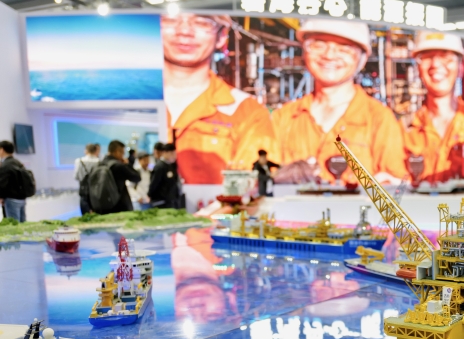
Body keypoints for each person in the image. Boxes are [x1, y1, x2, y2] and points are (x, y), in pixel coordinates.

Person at [271, 19, 405, 185]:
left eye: (344, 48)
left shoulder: (379, 119)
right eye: (319, 45)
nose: (329, 55)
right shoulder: (283, 119)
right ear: (304, 51)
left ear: (362, 59)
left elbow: (397, 186)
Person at [161, 14, 276, 185]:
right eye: (171, 19)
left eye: (201, 22)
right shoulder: (130, 98)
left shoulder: (247, 112)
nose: (184, 31)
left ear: (222, 36)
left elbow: (249, 187)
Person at [402, 31, 464, 185]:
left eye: (446, 56)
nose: (436, 64)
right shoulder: (404, 129)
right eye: (427, 57)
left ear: (460, 67)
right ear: (418, 68)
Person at [92, 140, 140, 215]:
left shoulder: (98, 165)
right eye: (122, 153)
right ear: (117, 152)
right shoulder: (118, 166)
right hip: (120, 207)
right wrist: (127, 164)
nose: (123, 156)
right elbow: (137, 177)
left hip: (102, 207)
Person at [0, 141, 31, 222]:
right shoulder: (17, 162)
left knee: (14, 224)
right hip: (21, 198)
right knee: (22, 223)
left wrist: (1, 196)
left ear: (2, 150)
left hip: (11, 199)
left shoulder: (5, 165)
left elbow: (3, 184)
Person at [149, 143, 181, 209]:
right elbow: (154, 184)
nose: (174, 156)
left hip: (171, 201)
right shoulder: (160, 166)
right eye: (172, 154)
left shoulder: (171, 165)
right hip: (162, 203)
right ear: (164, 153)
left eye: (175, 154)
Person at [74, 143, 101, 214]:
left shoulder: (79, 161)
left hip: (84, 189)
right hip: (96, 190)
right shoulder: (99, 161)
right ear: (95, 150)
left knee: (85, 214)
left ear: (86, 150)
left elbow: (76, 176)